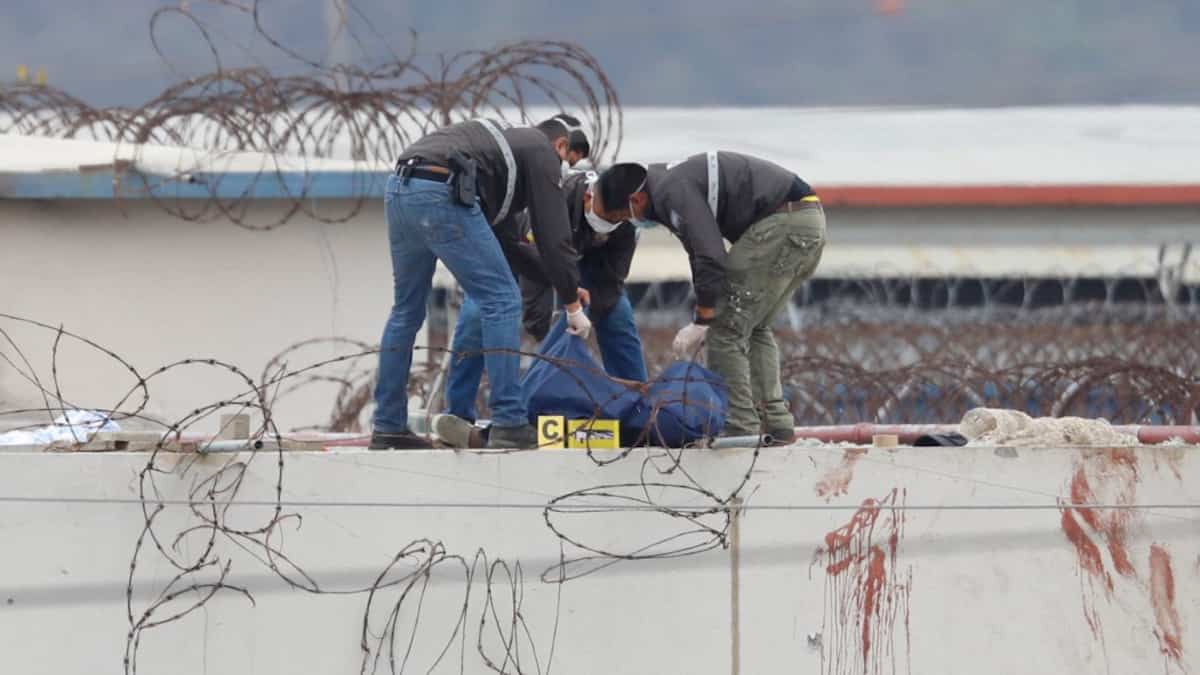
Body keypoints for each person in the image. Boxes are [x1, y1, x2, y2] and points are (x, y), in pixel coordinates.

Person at [370, 117, 592, 450]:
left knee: (406, 311)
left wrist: (565, 286)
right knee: (502, 301)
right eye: (565, 162)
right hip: (441, 190)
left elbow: (512, 247)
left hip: (401, 190)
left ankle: (388, 426)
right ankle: (508, 420)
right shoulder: (540, 151)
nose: (558, 172)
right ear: (559, 145)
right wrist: (572, 306)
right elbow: (552, 232)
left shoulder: (495, 162)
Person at [590, 153, 826, 443]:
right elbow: (698, 253)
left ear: (635, 201)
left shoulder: (670, 193)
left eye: (622, 217)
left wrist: (703, 319)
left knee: (725, 328)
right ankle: (776, 423)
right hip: (804, 221)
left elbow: (711, 256)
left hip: (782, 224)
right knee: (753, 327)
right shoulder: (668, 185)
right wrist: (704, 311)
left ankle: (740, 425)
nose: (629, 223)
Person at [437, 169, 647, 446]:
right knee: (478, 313)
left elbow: (610, 283)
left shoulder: (624, 226)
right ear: (588, 198)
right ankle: (460, 417)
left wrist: (580, 315)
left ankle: (639, 414)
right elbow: (533, 277)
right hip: (518, 253)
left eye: (618, 219)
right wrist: (552, 339)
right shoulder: (554, 201)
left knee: (618, 314)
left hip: (576, 262)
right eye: (607, 216)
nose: (611, 223)